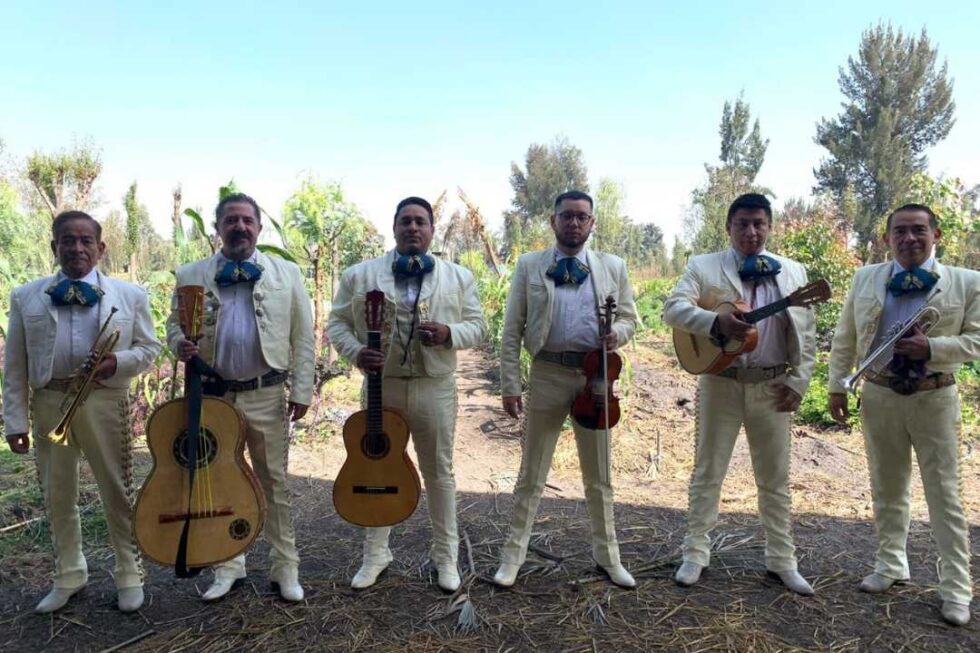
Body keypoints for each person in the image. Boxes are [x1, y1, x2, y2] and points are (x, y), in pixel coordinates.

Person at [3, 210, 161, 613]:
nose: (77, 248)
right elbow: (15, 366)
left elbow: (149, 349)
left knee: (117, 490)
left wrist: (117, 362)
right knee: (57, 496)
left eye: (86, 240)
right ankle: (68, 574)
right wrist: (15, 420)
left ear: (101, 248)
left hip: (105, 400)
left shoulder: (131, 296)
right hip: (50, 401)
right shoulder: (25, 296)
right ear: (53, 246)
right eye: (67, 241)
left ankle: (130, 574)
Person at [828, 203, 978, 626]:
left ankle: (956, 589)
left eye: (918, 230)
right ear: (886, 238)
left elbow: (978, 340)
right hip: (878, 394)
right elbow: (846, 337)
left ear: (936, 235)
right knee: (887, 486)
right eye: (900, 231)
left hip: (934, 396)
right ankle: (891, 564)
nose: (909, 238)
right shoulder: (865, 278)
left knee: (944, 496)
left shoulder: (968, 283)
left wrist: (933, 348)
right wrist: (837, 385)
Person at [327, 196, 486, 592]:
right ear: (394, 228)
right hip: (384, 387)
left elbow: (479, 326)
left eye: (421, 222)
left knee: (439, 473)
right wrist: (356, 353)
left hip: (436, 387)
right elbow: (338, 324)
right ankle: (375, 555)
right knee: (374, 465)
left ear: (432, 230)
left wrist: (451, 334)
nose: (413, 228)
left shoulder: (459, 277)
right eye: (406, 221)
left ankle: (445, 557)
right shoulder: (360, 276)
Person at [662, 193, 817, 595]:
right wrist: (715, 322)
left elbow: (808, 336)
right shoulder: (703, 265)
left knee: (775, 479)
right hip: (720, 383)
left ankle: (782, 561)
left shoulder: (795, 272)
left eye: (759, 223)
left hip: (773, 386)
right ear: (729, 227)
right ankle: (695, 554)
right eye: (743, 223)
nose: (751, 231)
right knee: (708, 472)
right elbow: (673, 309)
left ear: (769, 227)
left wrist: (799, 382)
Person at [168, 192, 315, 602]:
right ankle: (228, 565)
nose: (240, 227)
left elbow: (303, 338)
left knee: (274, 483)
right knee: (217, 480)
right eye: (231, 220)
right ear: (218, 229)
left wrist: (301, 390)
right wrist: (178, 344)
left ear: (259, 227)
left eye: (247, 220)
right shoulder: (191, 274)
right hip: (213, 397)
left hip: (266, 393)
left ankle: (285, 568)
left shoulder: (287, 272)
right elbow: (171, 327)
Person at [492, 190, 638, 589]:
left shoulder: (613, 266)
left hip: (596, 378)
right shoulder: (529, 266)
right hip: (547, 372)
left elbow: (629, 318)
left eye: (581, 217)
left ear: (592, 223)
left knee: (600, 475)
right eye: (566, 216)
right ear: (553, 221)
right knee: (532, 473)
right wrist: (509, 384)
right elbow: (511, 331)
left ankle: (608, 557)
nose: (574, 223)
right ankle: (513, 558)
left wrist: (616, 333)